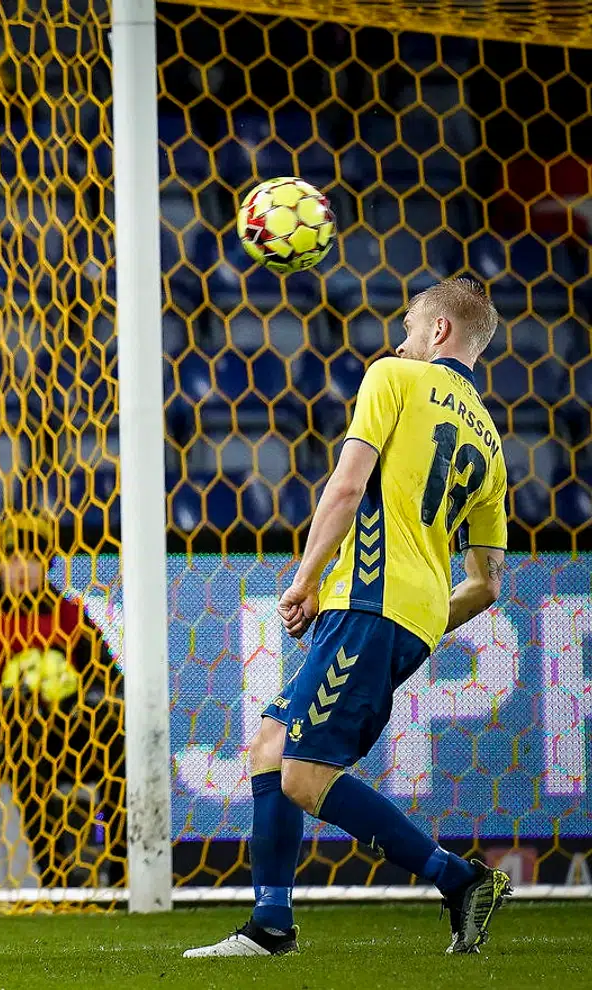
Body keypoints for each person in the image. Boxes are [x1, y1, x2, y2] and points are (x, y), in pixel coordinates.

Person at [184, 277, 513, 959]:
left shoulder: (395, 375)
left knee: (303, 774)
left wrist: (304, 581)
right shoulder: (491, 442)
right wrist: (422, 619)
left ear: (442, 333)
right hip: (412, 612)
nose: (402, 338)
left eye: (413, 324)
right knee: (271, 747)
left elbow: (346, 484)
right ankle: (271, 923)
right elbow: (486, 584)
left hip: (368, 600)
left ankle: (459, 879)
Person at [0, 512, 124, 888]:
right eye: (13, 558)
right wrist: (7, 701)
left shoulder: (69, 615)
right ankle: (53, 878)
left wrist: (81, 705)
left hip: (68, 737)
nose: (23, 569)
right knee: (26, 738)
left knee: (126, 746)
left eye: (33, 559)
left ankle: (124, 874)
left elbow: (110, 682)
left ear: (47, 564)